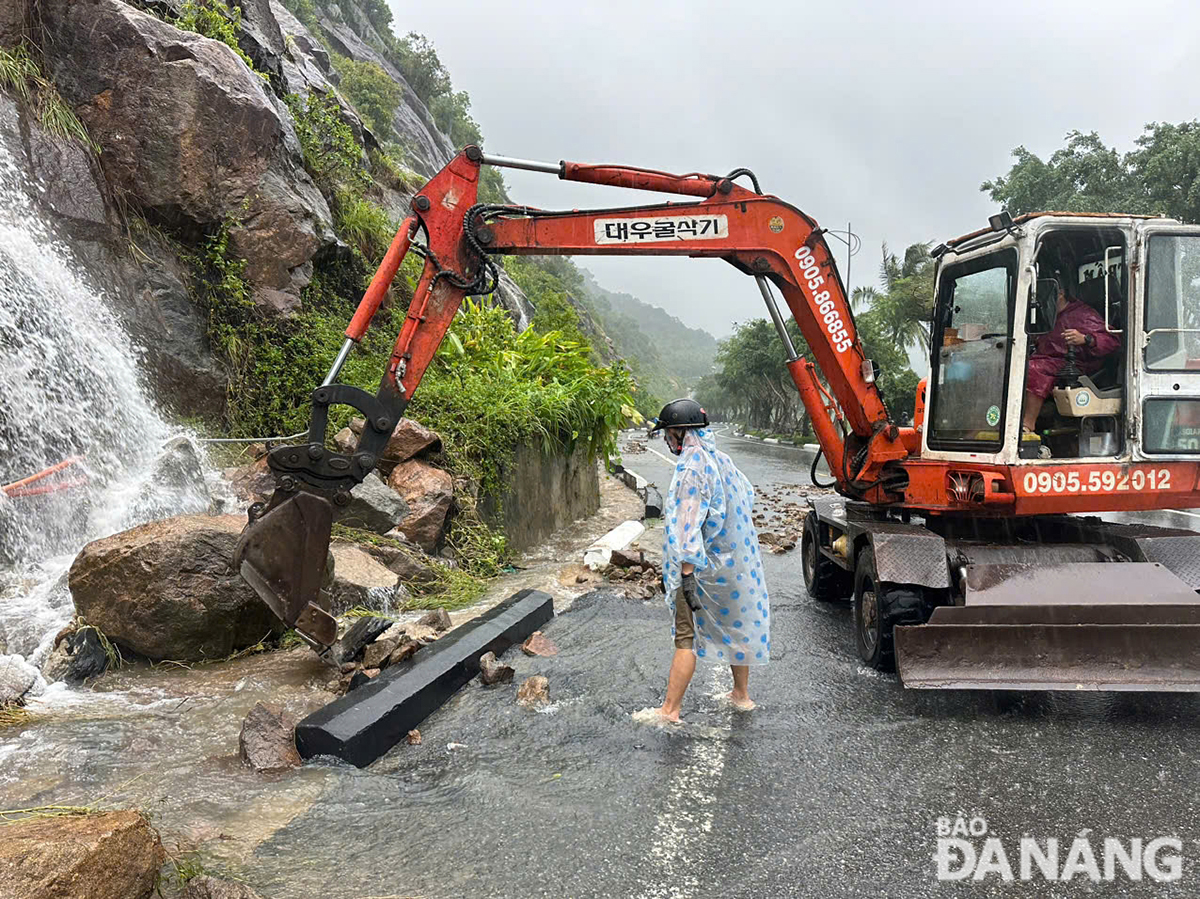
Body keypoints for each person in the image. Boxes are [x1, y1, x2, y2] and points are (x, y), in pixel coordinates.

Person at [649, 399, 770, 722]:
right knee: (736, 627)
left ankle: (669, 710)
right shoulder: (721, 459)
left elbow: (688, 523)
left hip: (700, 570)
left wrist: (687, 572)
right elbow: (746, 497)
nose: (667, 441)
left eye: (668, 434)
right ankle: (741, 695)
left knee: (685, 637)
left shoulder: (691, 467)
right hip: (732, 566)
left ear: (678, 433)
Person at [1021, 270, 1120, 436]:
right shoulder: (1048, 316)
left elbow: (1113, 342)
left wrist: (1086, 339)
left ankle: (1026, 425)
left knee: (1034, 368)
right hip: (1049, 358)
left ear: (1060, 293)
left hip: (1076, 364)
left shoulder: (1082, 314)